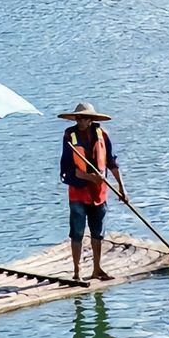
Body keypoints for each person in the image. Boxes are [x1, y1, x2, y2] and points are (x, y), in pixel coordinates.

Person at [59, 101, 124, 283]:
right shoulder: (69, 137)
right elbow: (67, 169)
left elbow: (111, 162)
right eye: (78, 118)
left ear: (91, 120)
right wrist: (90, 178)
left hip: (99, 192)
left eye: (84, 118)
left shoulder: (102, 135)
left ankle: (97, 268)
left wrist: (121, 188)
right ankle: (77, 272)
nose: (80, 121)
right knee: (77, 232)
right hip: (78, 192)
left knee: (98, 233)